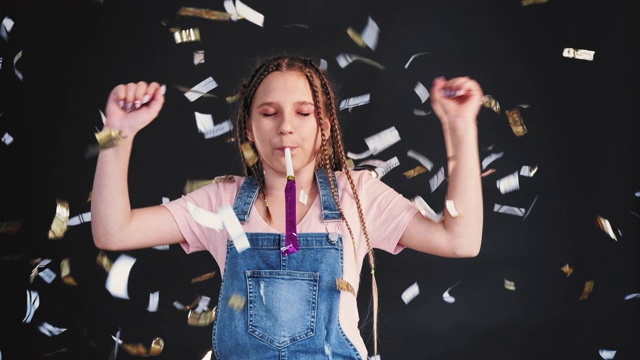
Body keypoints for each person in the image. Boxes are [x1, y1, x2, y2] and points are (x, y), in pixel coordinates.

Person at [91, 54, 484, 359]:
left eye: (303, 112)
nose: (285, 126)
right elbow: (113, 231)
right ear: (247, 127)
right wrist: (117, 134)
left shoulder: (357, 194)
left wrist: (460, 127)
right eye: (268, 113)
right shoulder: (222, 202)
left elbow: (460, 240)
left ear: (326, 125)